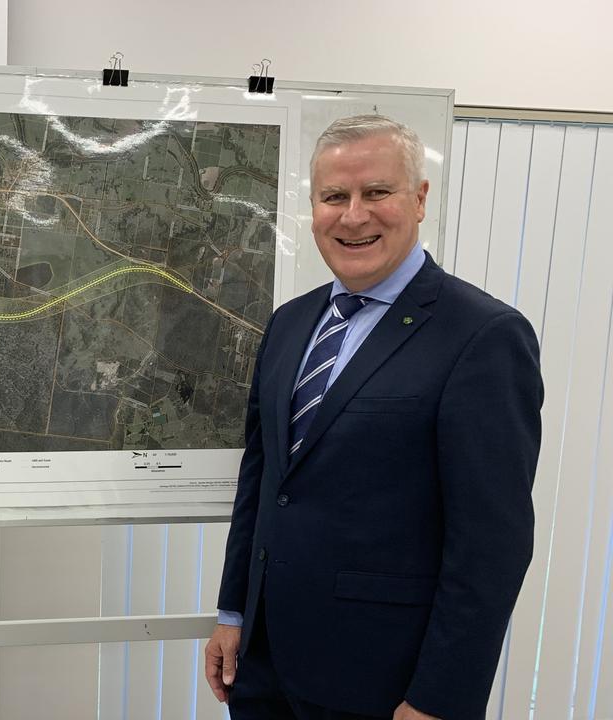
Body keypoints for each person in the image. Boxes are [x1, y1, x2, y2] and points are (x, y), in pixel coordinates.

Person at [203, 115, 543, 720]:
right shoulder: (289, 324)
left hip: (384, 686)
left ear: (418, 199)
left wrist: (439, 699)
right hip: (263, 669)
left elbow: (492, 545)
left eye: (376, 192)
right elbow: (261, 482)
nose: (353, 216)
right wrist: (234, 613)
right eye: (334, 197)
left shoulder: (483, 336)